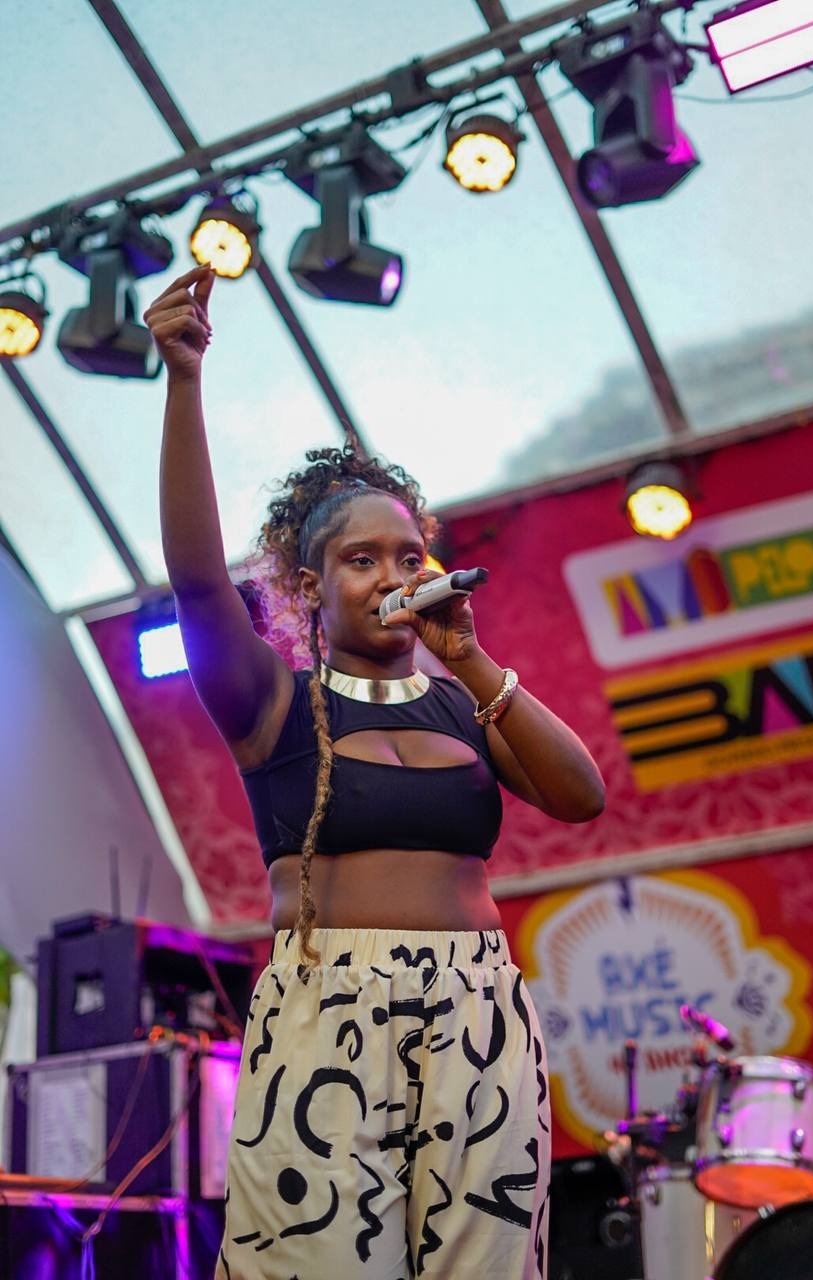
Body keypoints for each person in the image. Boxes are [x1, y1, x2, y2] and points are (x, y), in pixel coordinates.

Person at [144, 264, 606, 1280]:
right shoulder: (271, 703)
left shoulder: (464, 701)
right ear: (310, 586)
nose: (393, 576)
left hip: (476, 1007)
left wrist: (470, 656)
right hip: (328, 1005)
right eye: (363, 560)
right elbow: (196, 579)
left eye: (408, 555)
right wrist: (183, 381)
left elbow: (582, 795)